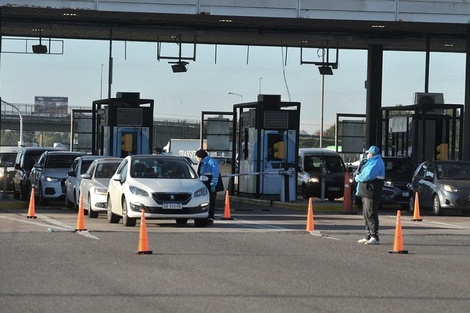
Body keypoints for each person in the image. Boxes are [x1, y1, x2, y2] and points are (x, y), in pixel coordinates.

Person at [355, 145, 385, 245]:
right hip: (366, 192)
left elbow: (368, 175)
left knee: (371, 213)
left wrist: (357, 178)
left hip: (372, 191)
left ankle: (374, 236)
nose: (367, 154)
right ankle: (368, 235)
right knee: (366, 214)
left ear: (372, 154)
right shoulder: (370, 162)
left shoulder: (376, 162)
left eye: (368, 153)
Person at [195, 149, 220, 226]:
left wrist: (213, 184)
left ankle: (210, 217)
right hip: (203, 183)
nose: (197, 159)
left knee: (211, 200)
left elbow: (215, 174)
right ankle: (204, 215)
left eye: (198, 157)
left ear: (201, 157)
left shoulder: (211, 162)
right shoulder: (203, 162)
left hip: (210, 183)